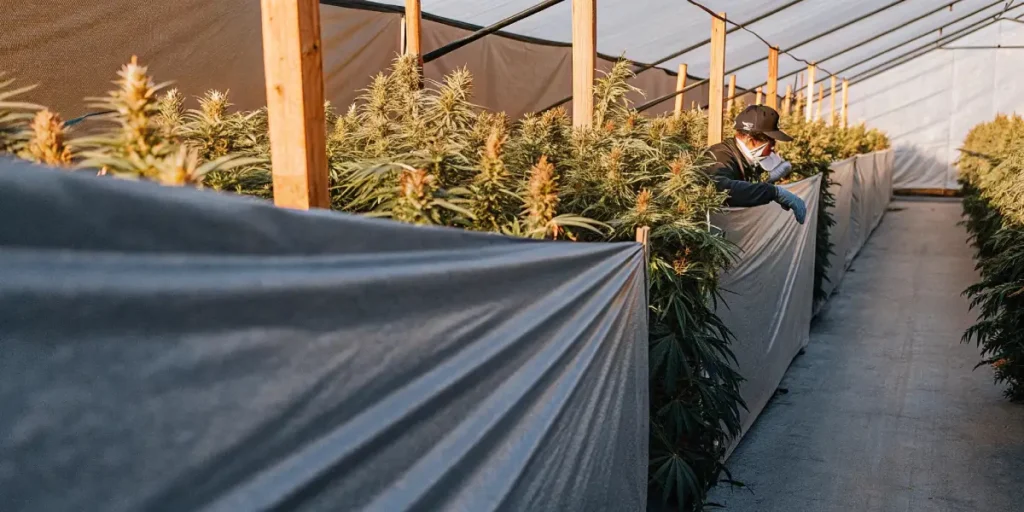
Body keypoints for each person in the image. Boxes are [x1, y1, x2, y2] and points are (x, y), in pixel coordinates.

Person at [707, 105, 806, 224]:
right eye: (771, 142)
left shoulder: (743, 158)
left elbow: (748, 186)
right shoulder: (719, 156)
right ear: (751, 140)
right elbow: (722, 188)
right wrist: (773, 192)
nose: (773, 149)